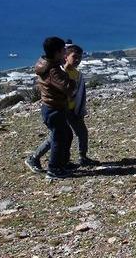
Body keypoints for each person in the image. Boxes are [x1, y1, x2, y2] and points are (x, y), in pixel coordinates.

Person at [26, 44, 99, 173]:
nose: (77, 60)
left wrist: (79, 109)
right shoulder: (58, 71)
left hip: (72, 110)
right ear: (65, 57)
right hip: (60, 108)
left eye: (80, 58)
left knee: (78, 133)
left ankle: (78, 158)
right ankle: (36, 158)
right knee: (57, 136)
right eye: (74, 57)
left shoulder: (77, 74)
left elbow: (79, 93)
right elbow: (64, 90)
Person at [28, 37, 77, 179]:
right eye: (63, 50)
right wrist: (71, 79)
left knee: (66, 135)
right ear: (57, 52)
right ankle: (54, 168)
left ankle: (63, 163)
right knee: (58, 138)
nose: (65, 52)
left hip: (52, 106)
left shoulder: (44, 63)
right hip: (54, 108)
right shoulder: (53, 70)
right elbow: (67, 88)